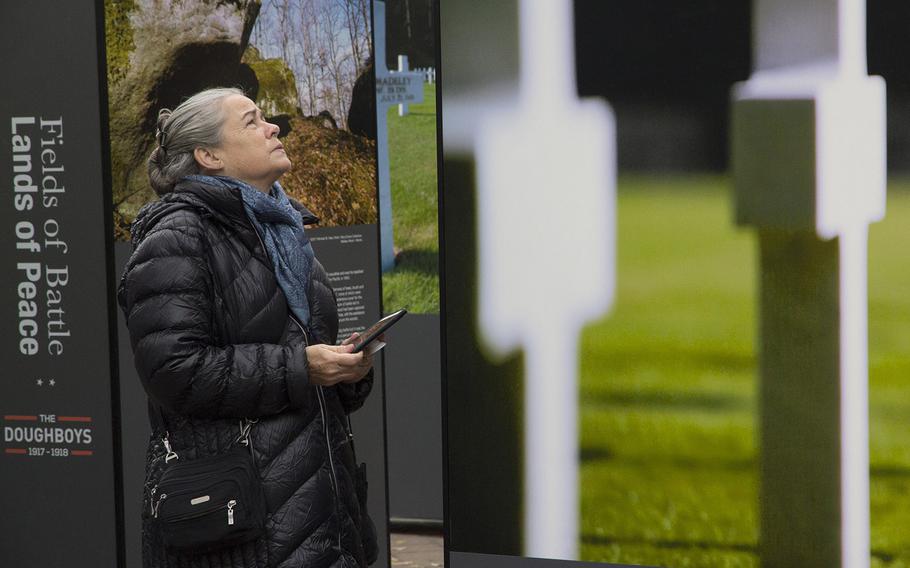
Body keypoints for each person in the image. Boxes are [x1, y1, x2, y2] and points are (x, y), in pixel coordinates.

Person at [118, 87, 377, 568]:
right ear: (208, 155)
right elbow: (173, 370)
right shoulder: (177, 236)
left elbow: (298, 356)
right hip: (242, 530)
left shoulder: (286, 230)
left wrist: (345, 371)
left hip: (323, 516)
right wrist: (301, 368)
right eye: (252, 121)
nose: (273, 126)